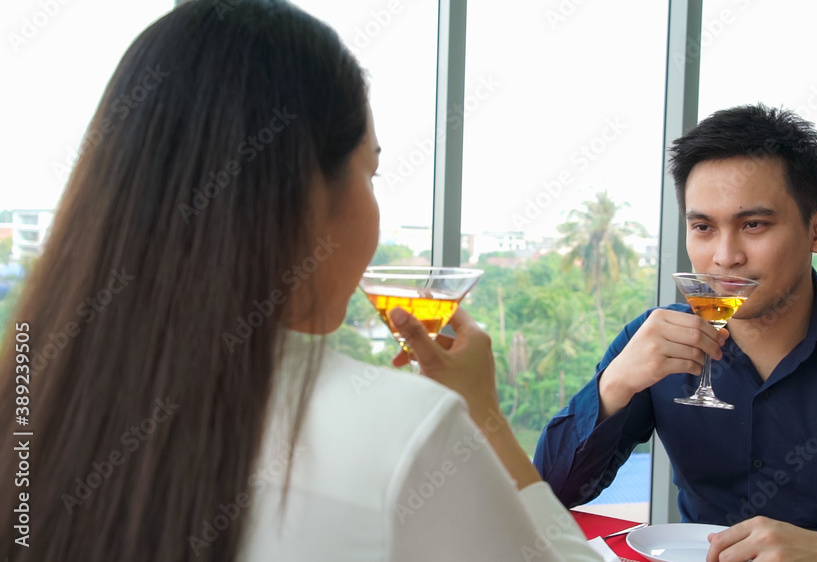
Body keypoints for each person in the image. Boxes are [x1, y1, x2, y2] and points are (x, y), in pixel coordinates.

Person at [0, 1, 602, 561]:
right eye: (370, 169)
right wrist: (484, 417)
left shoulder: (29, 395)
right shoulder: (405, 432)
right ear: (304, 191)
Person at [534, 104, 817, 561]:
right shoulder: (653, 342)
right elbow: (546, 493)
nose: (724, 256)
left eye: (753, 224)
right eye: (703, 227)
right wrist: (614, 387)